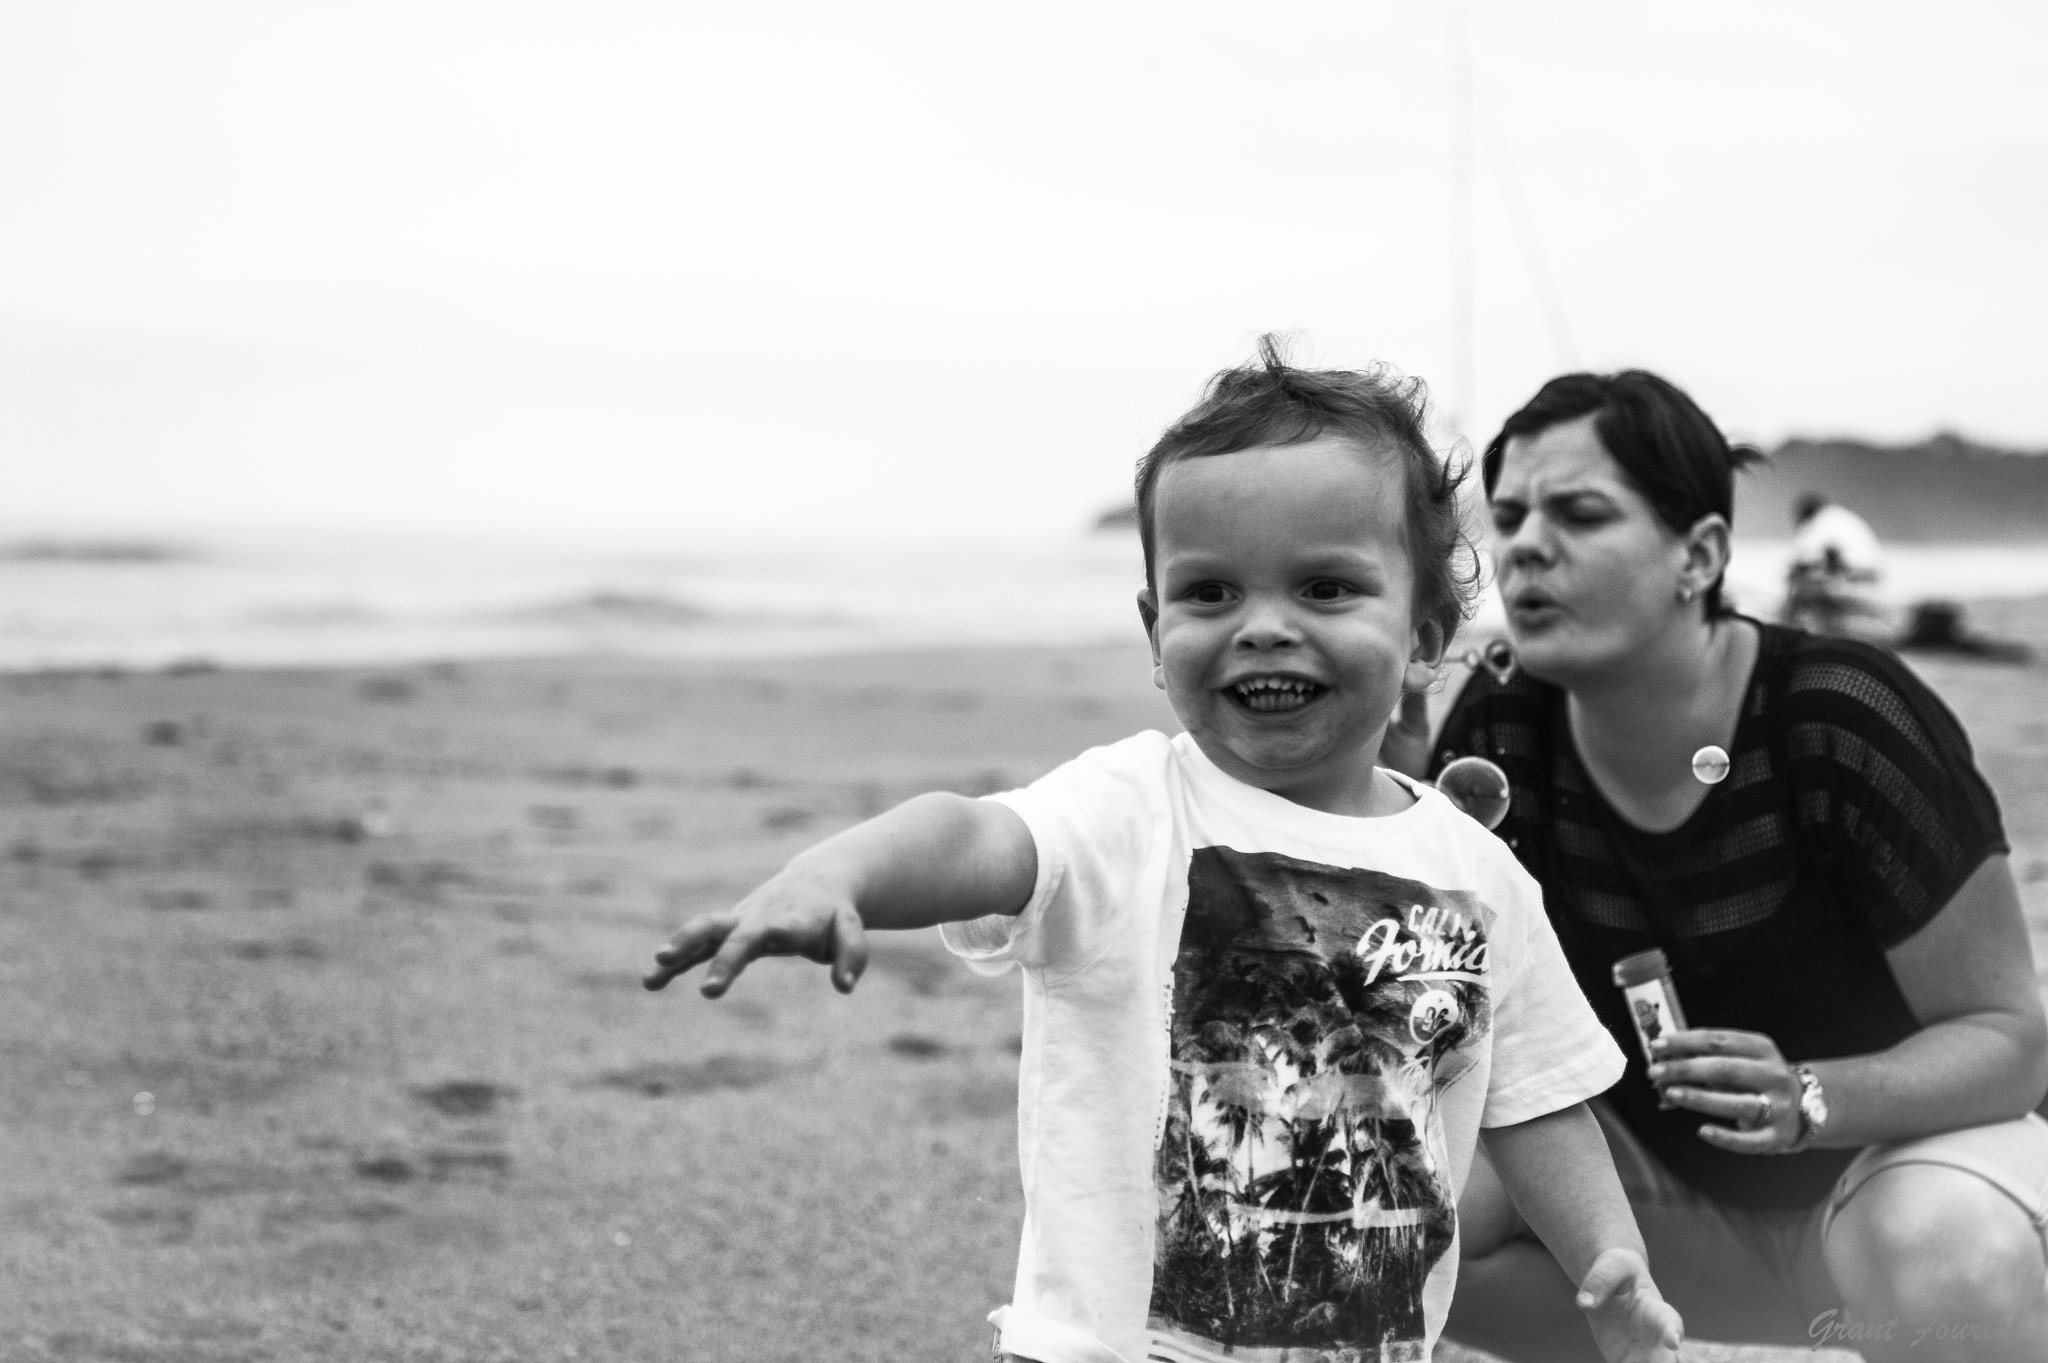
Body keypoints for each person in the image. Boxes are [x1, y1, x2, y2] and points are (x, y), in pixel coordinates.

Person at [644, 341, 1684, 1363]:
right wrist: (840, 874)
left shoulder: (1477, 872)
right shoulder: (1130, 807)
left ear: (1421, 636)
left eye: (1323, 589)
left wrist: (1611, 1256)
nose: (1262, 626)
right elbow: (975, 832)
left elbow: (1537, 1098)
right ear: (1152, 630)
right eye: (1209, 593)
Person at [1402, 370, 2048, 1363]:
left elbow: (2009, 1038)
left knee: (1947, 1256)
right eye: (1512, 515)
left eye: (1577, 512)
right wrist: (1381, 786)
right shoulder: (1502, 722)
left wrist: (1807, 1094)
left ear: (1698, 554)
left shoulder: (1835, 714)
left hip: (1879, 1178)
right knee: (1396, 1202)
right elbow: (1444, 1013)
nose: (1525, 544)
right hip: (1659, 1215)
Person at [1782, 491, 1884, 635]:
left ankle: (1795, 628)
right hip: (1871, 576)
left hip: (1857, 575)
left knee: (1800, 580)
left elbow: (1800, 561)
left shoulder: (1818, 522)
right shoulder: (1840, 517)